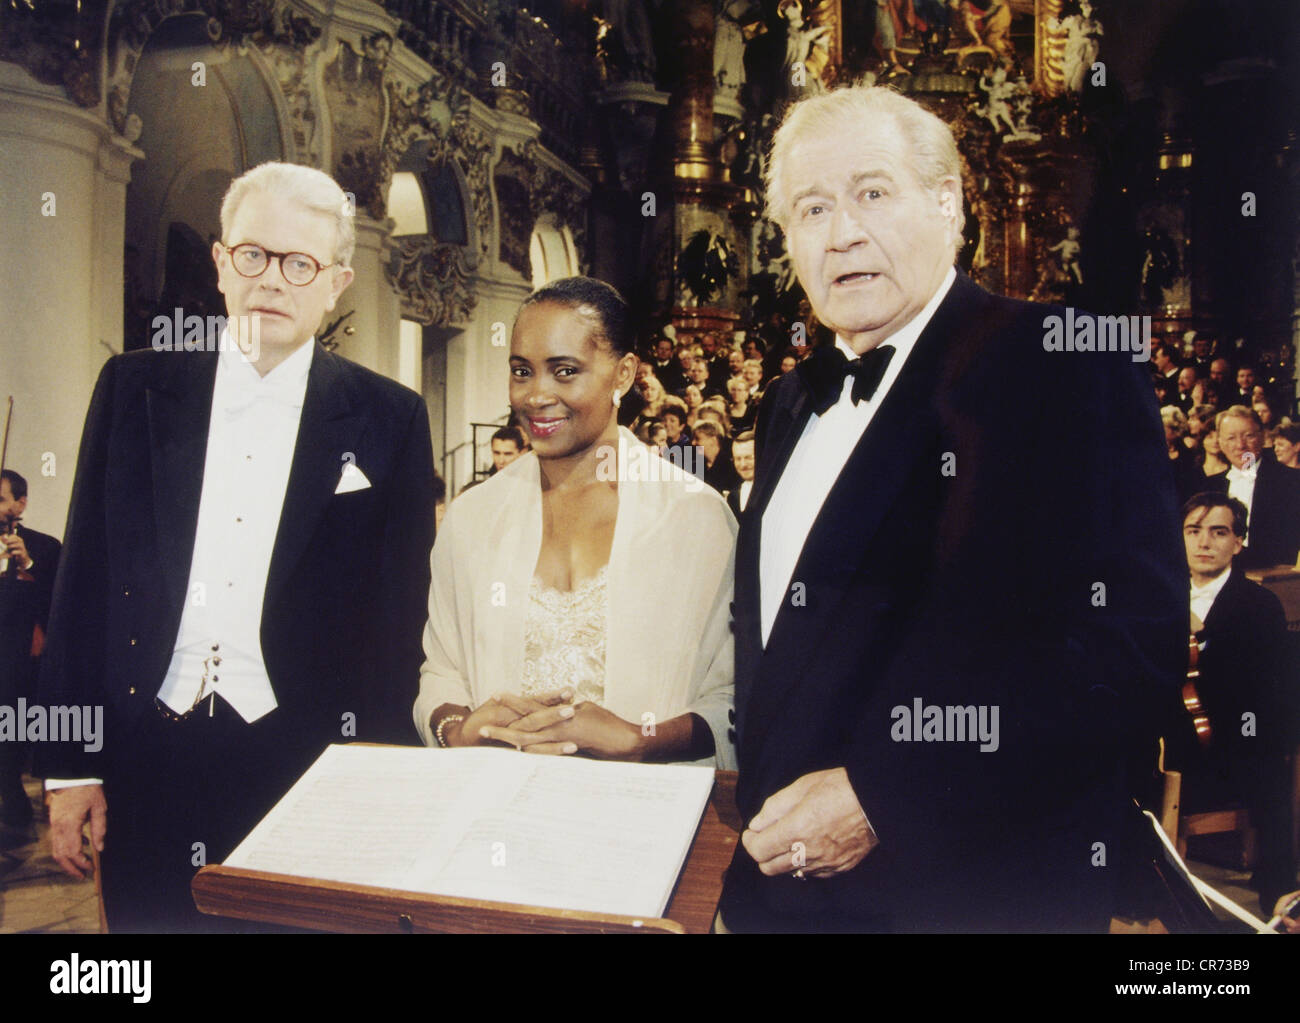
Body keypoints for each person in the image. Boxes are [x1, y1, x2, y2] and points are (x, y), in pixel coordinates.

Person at [718, 86, 1185, 933]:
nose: (843, 232)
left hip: (972, 897)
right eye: (812, 208)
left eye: (872, 192)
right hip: (782, 902)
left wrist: (884, 795)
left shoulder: (1063, 363)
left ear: (949, 205)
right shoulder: (789, 401)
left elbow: (1128, 654)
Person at [35, 162, 437, 932]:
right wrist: (71, 765)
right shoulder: (132, 389)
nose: (271, 282)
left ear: (337, 283)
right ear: (221, 264)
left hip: (308, 766)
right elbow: (82, 584)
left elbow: (395, 625)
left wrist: (379, 786)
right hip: (144, 755)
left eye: (300, 264)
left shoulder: (389, 418)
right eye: (252, 255)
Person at [415, 277, 736, 767]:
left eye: (565, 371)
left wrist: (639, 740)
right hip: (495, 807)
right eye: (522, 371)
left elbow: (733, 695)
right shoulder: (474, 517)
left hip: (647, 813)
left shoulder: (694, 516)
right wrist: (457, 730)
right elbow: (441, 672)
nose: (537, 395)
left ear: (624, 374)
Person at [1172, 493, 1296, 913]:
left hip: (1227, 740)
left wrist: (1201, 641)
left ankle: (1279, 890)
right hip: (1157, 734)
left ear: (1238, 542)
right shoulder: (1159, 596)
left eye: (1218, 532)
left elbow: (1261, 693)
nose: (1204, 542)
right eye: (1193, 531)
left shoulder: (1259, 605)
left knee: (1265, 759)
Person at [0, 469, 61, 825]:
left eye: (2, 499)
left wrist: (28, 565)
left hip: (20, 662)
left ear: (21, 503)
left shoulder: (45, 547)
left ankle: (14, 792)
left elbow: (59, 606)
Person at [1204, 406, 1300, 568]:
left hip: (1276, 578)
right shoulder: (1209, 486)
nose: (1240, 445)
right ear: (1220, 442)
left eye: (1248, 436)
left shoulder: (1292, 481)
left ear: (1263, 437)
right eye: (1231, 438)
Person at [727, 431, 756, 517]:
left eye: (748, 458)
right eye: (738, 459)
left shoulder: (775, 489)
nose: (743, 465)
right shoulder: (733, 497)